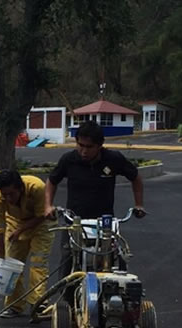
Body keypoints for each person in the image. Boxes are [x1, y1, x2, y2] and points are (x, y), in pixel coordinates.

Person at [44, 120, 146, 281]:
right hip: (74, 221)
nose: (83, 151)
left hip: (104, 223)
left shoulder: (113, 159)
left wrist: (139, 205)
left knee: (113, 258)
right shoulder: (68, 159)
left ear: (100, 145)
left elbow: (136, 178)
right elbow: (51, 181)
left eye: (89, 147)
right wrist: (48, 206)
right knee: (68, 258)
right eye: (80, 145)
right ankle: (65, 292)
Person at [0, 169, 53, 318]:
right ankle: (15, 305)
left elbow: (42, 215)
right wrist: (1, 261)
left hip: (41, 225)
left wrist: (21, 230)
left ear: (20, 188)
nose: (8, 198)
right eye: (5, 194)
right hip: (15, 223)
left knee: (38, 264)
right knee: (12, 265)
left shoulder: (37, 187)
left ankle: (38, 303)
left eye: (11, 194)